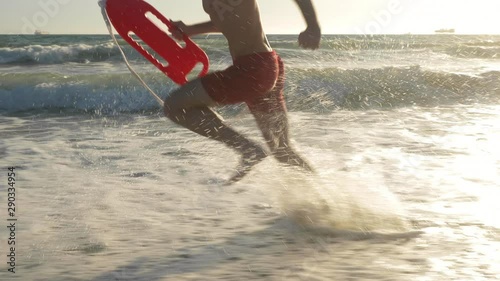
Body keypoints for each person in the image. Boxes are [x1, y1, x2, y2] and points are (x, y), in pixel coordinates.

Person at [165, 0, 321, 183]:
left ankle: (246, 149)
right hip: (265, 67)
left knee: (174, 106)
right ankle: (326, 202)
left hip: (253, 70)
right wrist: (191, 29)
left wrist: (312, 26)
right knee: (281, 150)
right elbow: (230, 21)